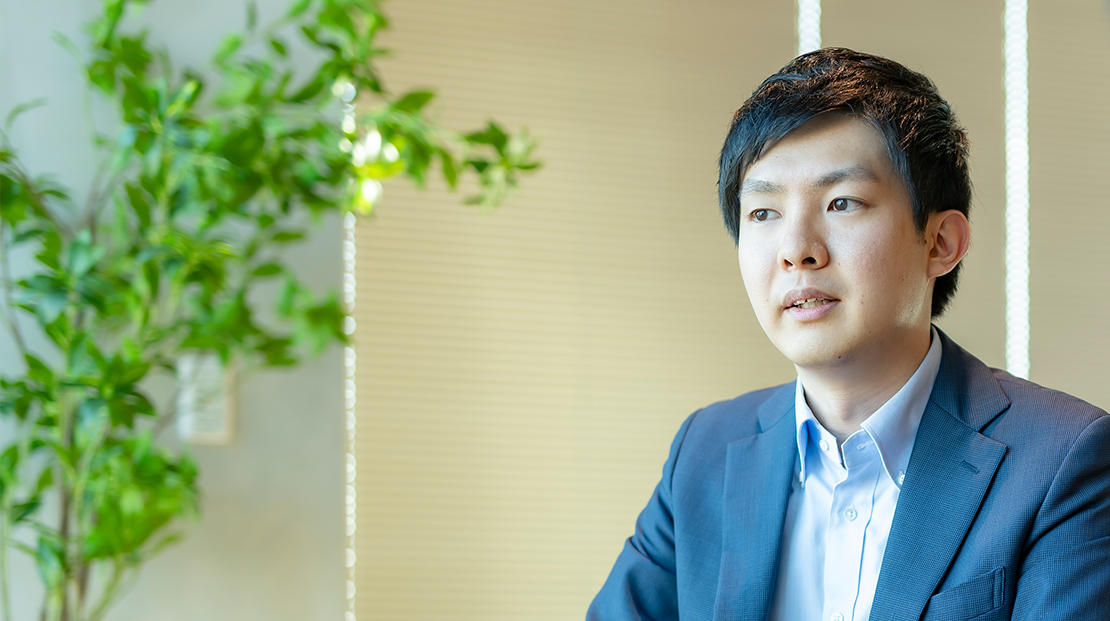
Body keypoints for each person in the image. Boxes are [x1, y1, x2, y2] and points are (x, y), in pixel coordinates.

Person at [587, 48, 1110, 621]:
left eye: (842, 203)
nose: (796, 250)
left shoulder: (1063, 460)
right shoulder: (704, 451)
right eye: (763, 212)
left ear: (940, 243)